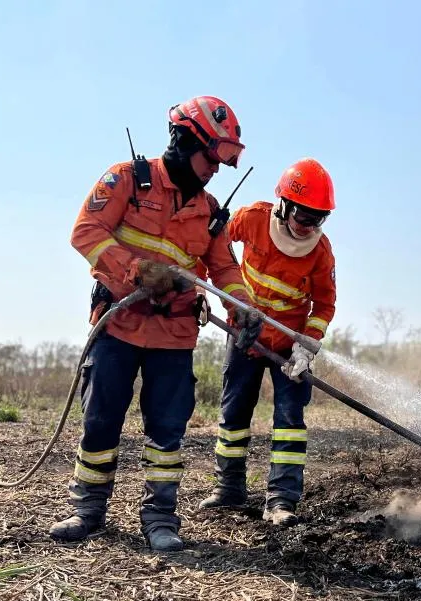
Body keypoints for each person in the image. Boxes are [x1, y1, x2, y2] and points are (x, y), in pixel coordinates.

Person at [48, 95, 263, 553]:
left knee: (167, 430)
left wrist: (241, 306)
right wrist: (136, 272)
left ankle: (160, 517)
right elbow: (85, 232)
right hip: (119, 326)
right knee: (100, 420)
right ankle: (88, 509)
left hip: (175, 336)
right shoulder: (128, 180)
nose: (216, 170)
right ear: (187, 141)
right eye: (212, 157)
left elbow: (225, 272)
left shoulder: (210, 214)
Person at [199, 158, 337, 526]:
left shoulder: (321, 253)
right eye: (304, 216)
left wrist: (306, 346)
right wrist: (206, 295)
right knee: (234, 413)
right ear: (285, 205)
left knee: (289, 419)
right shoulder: (254, 218)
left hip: (289, 348)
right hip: (244, 334)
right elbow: (214, 248)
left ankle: (281, 500)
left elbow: (324, 305)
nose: (310, 227)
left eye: (319, 219)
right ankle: (229, 489)